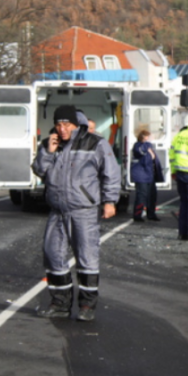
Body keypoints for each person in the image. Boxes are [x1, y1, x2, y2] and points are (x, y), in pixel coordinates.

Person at [32, 105, 120, 322]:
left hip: (84, 210)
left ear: (76, 124)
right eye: (58, 124)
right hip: (57, 211)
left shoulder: (95, 143)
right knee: (53, 256)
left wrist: (110, 201)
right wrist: (48, 153)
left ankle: (87, 306)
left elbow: (111, 172)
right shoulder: (49, 145)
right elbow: (38, 170)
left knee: (87, 257)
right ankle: (60, 304)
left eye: (67, 124)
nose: (62, 129)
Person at [130, 130, 161, 222]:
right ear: (144, 137)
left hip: (149, 175)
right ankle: (137, 215)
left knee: (152, 195)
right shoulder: (138, 145)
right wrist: (147, 143)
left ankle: (151, 214)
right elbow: (139, 152)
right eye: (149, 136)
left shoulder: (148, 146)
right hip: (141, 175)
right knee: (141, 195)